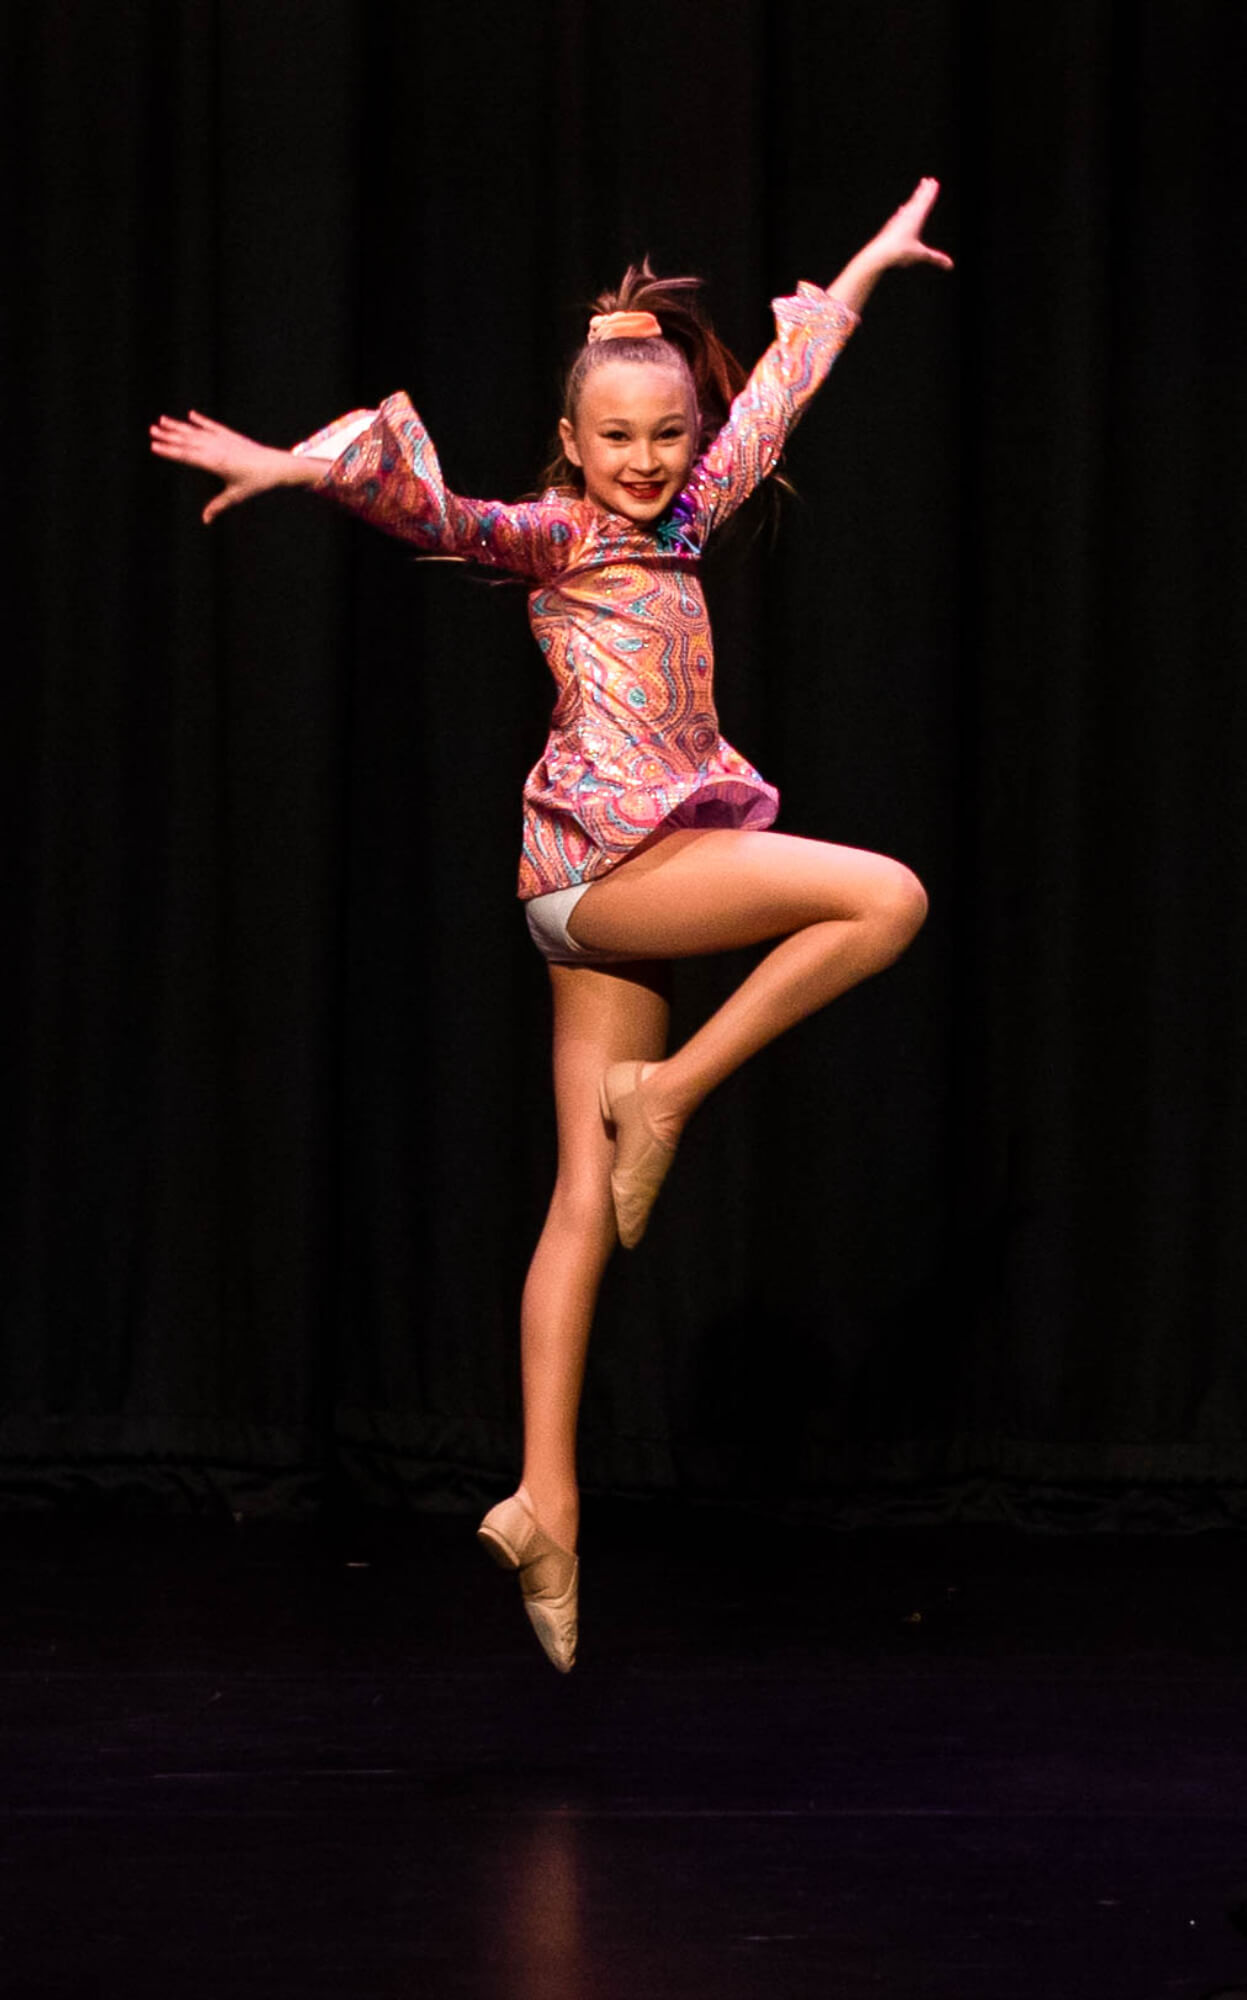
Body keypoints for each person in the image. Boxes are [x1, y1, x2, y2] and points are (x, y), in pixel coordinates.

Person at [150, 177, 953, 1674]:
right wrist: (290, 463)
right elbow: (435, 509)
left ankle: (544, 1503)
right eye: (617, 440)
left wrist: (864, 268)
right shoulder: (558, 536)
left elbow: (783, 391)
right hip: (615, 867)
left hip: (584, 900)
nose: (646, 462)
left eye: (667, 437)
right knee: (885, 895)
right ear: (572, 444)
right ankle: (675, 1095)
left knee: (583, 1198)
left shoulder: (694, 514)